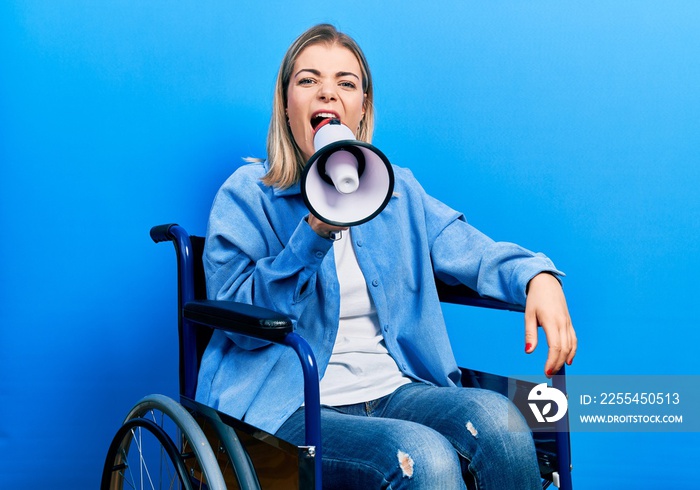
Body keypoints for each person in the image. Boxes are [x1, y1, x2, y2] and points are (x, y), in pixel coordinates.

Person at [198, 24, 577, 489]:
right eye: (308, 80)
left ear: (361, 110)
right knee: (425, 458)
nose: (328, 94)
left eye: (346, 83)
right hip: (288, 405)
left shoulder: (396, 190)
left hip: (395, 390)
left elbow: (471, 250)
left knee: (502, 423)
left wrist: (537, 276)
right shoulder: (246, 198)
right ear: (285, 105)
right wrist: (313, 232)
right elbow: (245, 328)